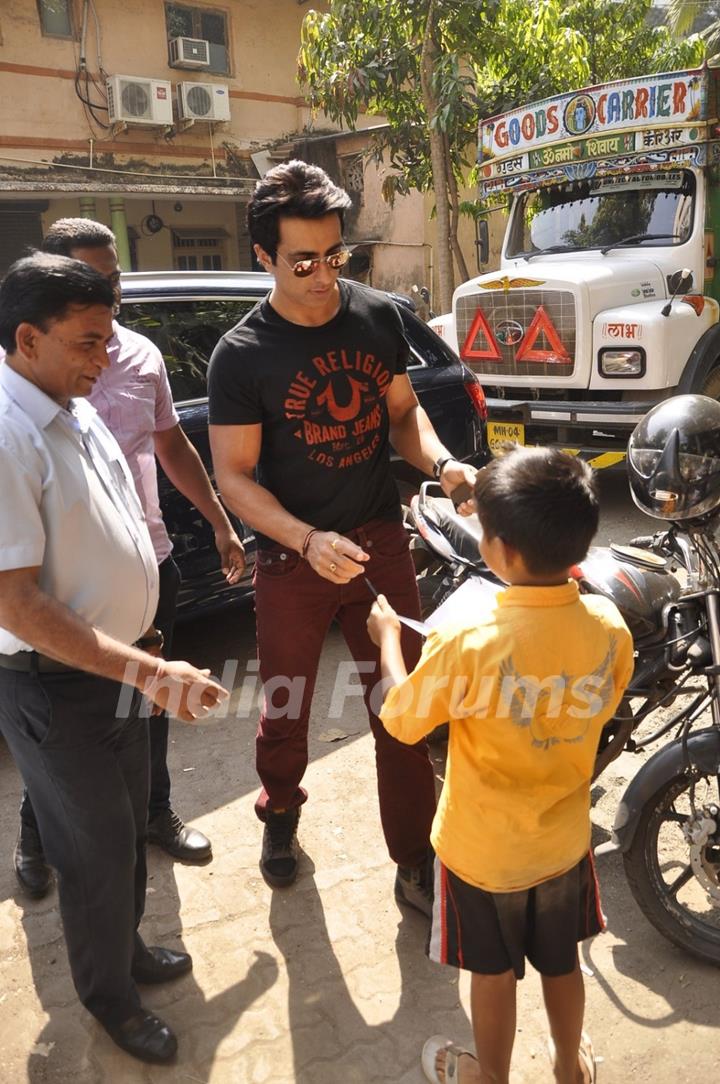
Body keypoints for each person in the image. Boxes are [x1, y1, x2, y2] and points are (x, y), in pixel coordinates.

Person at [208, 160, 477, 912]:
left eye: (336, 257)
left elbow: (400, 414)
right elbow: (234, 477)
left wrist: (447, 463)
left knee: (403, 699)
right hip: (293, 561)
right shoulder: (242, 355)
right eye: (303, 262)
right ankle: (281, 813)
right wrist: (303, 538)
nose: (325, 276)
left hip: (377, 542)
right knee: (286, 702)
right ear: (264, 257)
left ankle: (414, 858)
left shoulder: (376, 317)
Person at [0, 253, 228, 1062]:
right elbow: (16, 603)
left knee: (128, 830)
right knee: (93, 852)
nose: (108, 357)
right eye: (88, 342)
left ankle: (126, 954)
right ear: (28, 338)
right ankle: (110, 999)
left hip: (116, 670)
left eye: (109, 336)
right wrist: (151, 672)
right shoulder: (6, 431)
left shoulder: (71, 397)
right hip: (59, 690)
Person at [367, 446, 634, 1084]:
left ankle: (487, 1076)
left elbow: (403, 719)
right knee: (562, 964)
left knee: (491, 975)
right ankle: (570, 1067)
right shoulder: (608, 623)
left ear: (503, 551)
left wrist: (386, 643)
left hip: (482, 851)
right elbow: (605, 700)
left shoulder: (468, 640)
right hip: (564, 842)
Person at [8, 218, 245, 899]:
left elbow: (172, 445)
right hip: (65, 585)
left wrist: (220, 522)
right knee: (61, 729)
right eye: (93, 282)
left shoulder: (138, 355)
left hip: (149, 559)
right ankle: (39, 840)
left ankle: (154, 814)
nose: (111, 301)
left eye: (114, 282)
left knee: (148, 704)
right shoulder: (23, 382)